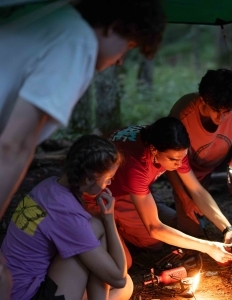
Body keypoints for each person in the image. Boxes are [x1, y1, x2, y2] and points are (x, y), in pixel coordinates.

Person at [0, 0, 166, 220]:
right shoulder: (77, 40)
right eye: (128, 46)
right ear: (114, 26)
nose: (120, 60)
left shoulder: (53, 20)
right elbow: (13, 146)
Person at [1, 135, 133, 300]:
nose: (109, 184)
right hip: (27, 295)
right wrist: (109, 219)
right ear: (88, 179)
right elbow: (118, 279)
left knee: (95, 227)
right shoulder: (66, 213)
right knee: (125, 286)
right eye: (108, 179)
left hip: (11, 286)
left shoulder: (49, 186)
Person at [97, 117, 232, 266]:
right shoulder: (136, 165)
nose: (179, 164)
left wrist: (228, 229)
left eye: (183, 157)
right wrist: (208, 247)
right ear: (154, 149)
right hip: (97, 195)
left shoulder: (172, 144)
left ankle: (133, 214)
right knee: (123, 263)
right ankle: (105, 225)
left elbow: (197, 191)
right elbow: (154, 228)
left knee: (153, 243)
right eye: (173, 159)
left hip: (127, 189)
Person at [168, 68, 232, 246]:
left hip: (223, 154)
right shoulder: (183, 115)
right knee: (191, 233)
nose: (222, 118)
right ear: (203, 100)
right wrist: (185, 200)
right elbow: (170, 165)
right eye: (217, 111)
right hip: (189, 171)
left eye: (228, 112)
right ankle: (164, 210)